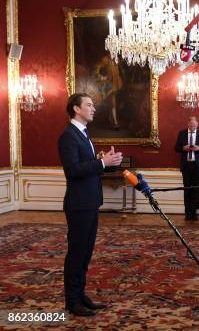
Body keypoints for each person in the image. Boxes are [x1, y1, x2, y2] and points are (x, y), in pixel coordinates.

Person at [58, 93, 123, 316]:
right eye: (89, 105)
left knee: (85, 253)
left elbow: (87, 164)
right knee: (76, 253)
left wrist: (106, 161)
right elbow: (73, 170)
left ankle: (80, 295)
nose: (94, 108)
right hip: (78, 204)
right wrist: (101, 162)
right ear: (76, 109)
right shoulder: (69, 136)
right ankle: (72, 301)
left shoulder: (83, 134)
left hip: (90, 202)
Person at [175, 116, 199, 221]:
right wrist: (183, 148)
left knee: (196, 190)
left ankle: (194, 213)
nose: (192, 127)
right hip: (186, 165)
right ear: (188, 124)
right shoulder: (182, 133)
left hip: (197, 166)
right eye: (191, 125)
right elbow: (176, 148)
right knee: (187, 189)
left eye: (194, 125)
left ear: (197, 124)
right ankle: (188, 213)